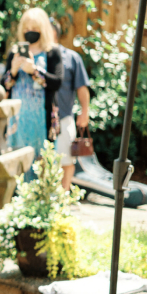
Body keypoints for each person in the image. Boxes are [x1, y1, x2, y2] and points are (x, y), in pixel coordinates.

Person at [2, 7, 63, 177]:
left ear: (42, 30)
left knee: (44, 163)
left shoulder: (52, 52)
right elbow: (3, 87)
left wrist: (34, 70)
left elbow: (57, 82)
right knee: (17, 160)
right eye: (26, 29)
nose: (30, 32)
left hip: (43, 119)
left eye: (34, 29)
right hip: (18, 120)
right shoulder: (14, 53)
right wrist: (13, 70)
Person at [50, 20, 91, 190]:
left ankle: (63, 200)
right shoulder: (34, 58)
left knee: (66, 161)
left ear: (55, 33)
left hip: (64, 118)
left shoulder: (72, 57)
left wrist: (85, 112)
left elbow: (81, 87)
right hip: (40, 120)